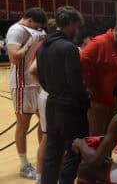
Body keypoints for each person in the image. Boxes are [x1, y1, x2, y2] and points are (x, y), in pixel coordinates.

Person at [36, 6, 89, 184]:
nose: (77, 30)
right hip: (70, 109)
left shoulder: (43, 46)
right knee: (74, 152)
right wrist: (84, 101)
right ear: (71, 23)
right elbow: (75, 82)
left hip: (51, 105)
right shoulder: (69, 48)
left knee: (52, 152)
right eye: (76, 26)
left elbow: (41, 77)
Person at [6, 7, 47, 179]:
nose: (38, 29)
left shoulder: (35, 30)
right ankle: (24, 165)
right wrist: (30, 42)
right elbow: (14, 57)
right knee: (23, 125)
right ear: (29, 20)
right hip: (23, 85)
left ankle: (42, 158)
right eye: (36, 25)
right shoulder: (16, 30)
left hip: (37, 82)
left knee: (45, 123)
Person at [80, 19, 117, 136]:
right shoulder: (98, 43)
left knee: (112, 138)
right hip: (99, 103)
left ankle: (107, 155)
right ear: (116, 30)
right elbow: (81, 61)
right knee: (96, 138)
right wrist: (86, 85)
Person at [29, 19, 57, 184]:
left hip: (44, 93)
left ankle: (42, 175)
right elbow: (32, 70)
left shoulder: (43, 44)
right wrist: (46, 85)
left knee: (44, 132)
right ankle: (41, 177)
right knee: (48, 137)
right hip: (49, 94)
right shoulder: (48, 46)